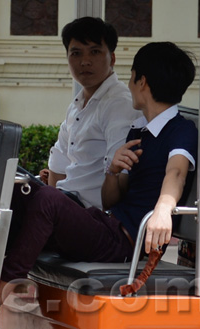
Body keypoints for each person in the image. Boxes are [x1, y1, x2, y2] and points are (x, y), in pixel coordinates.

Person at [0, 41, 197, 301]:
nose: (128, 84)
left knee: (49, 199)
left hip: (124, 244)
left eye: (131, 77)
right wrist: (113, 170)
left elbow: (176, 174)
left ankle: (6, 286)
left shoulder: (180, 130)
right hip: (106, 225)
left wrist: (163, 209)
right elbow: (111, 199)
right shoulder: (139, 131)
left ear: (143, 82)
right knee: (17, 191)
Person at [40, 16, 140, 209]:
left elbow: (120, 179)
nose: (85, 61)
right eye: (76, 53)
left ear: (112, 58)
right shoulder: (77, 104)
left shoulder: (119, 104)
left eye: (94, 52)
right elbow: (58, 165)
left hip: (94, 216)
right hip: (66, 207)